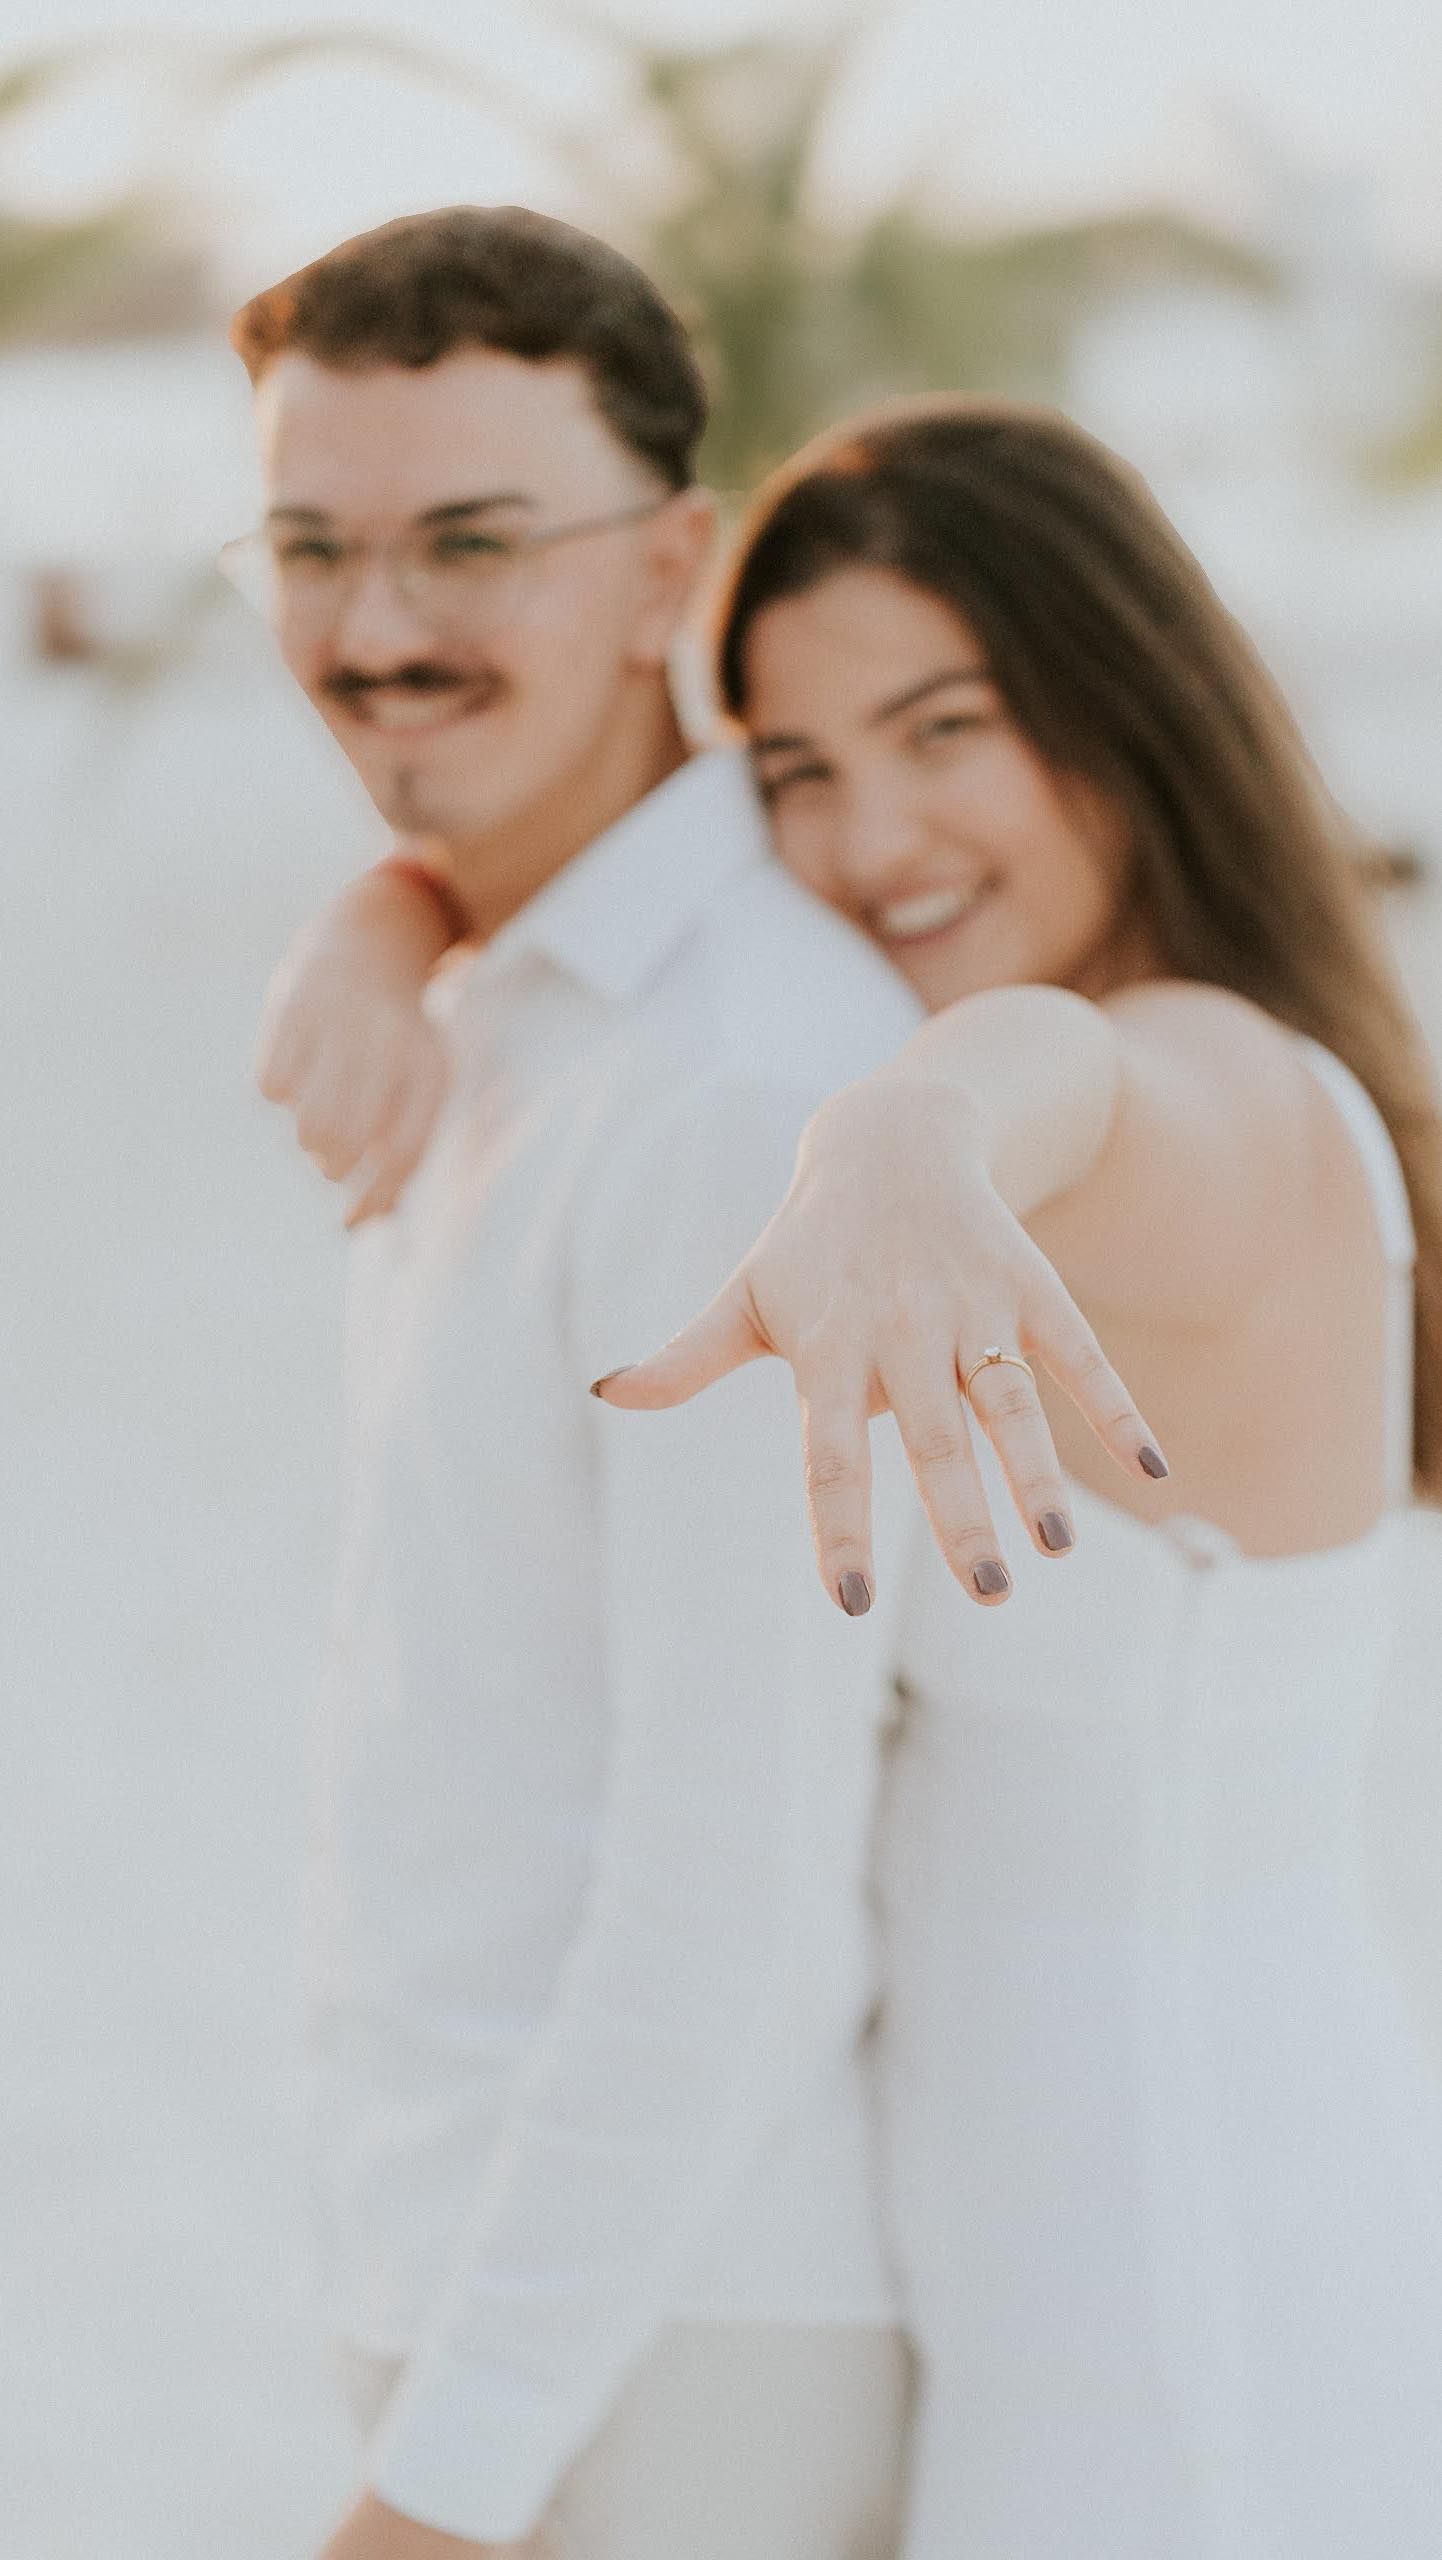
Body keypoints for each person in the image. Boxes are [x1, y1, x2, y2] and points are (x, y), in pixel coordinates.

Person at [265, 395, 1442, 2557]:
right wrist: (393, 903)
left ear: (1128, 707)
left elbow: (1077, 1081)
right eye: (799, 770)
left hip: (1191, 2282)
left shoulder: (1226, 1097)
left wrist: (902, 1125)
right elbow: (621, 868)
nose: (869, 831)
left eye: (942, 727)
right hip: (998, 2273)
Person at [231, 211, 1147, 2560]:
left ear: (672, 570)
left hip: (667, 2358)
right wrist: (390, 911)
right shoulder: (509, 999)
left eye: (469, 542)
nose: (376, 628)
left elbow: (728, 1884)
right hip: (487, 2274)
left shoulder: (744, 1090)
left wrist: (451, 2469)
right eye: (311, 544)